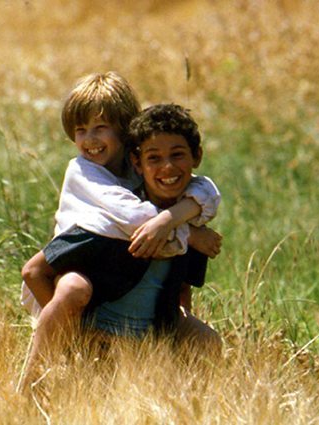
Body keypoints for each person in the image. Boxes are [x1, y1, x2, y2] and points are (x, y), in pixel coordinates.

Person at [18, 73, 222, 392]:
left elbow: (205, 190)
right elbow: (135, 217)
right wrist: (190, 232)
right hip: (76, 265)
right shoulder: (82, 172)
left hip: (120, 274)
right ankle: (33, 382)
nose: (89, 139)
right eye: (80, 130)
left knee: (206, 339)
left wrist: (177, 216)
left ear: (125, 129)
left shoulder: (139, 167)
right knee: (73, 288)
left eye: (100, 127)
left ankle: (184, 398)